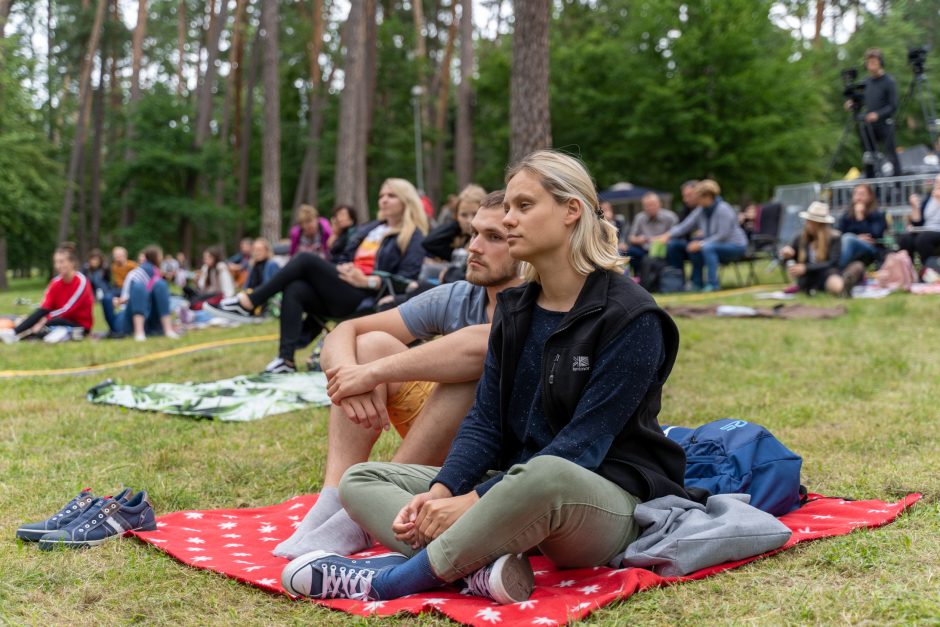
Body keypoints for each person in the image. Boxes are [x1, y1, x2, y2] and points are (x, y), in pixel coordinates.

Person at [280, 150, 689, 606]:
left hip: (598, 497)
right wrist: (441, 491)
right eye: (507, 208)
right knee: (362, 479)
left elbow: (583, 447)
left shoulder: (631, 316)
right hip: (509, 489)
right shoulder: (516, 312)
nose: (510, 219)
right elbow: (485, 422)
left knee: (548, 474)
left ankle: (389, 582)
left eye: (524, 207)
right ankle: (482, 567)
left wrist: (473, 501)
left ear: (571, 210)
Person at [272, 191, 523, 560]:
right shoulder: (460, 295)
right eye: (472, 234)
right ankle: (333, 500)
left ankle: (368, 507)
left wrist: (370, 374)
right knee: (370, 343)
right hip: (448, 440)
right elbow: (346, 331)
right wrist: (349, 376)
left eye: (494, 237)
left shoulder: (540, 301)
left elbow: (483, 345)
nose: (474, 247)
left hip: (499, 459)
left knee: (469, 375)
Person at [209, 178, 430, 374]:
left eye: (391, 195)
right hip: (342, 287)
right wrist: (344, 267)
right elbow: (343, 256)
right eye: (382, 195)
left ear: (405, 200)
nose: (383, 200)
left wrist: (369, 280)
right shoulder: (371, 228)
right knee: (295, 287)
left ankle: (249, 301)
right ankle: (285, 359)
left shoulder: (413, 236)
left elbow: (407, 280)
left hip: (367, 295)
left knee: (305, 259)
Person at [656, 179, 748, 291]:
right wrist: (668, 235)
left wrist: (701, 244)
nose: (696, 200)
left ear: (708, 196)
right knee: (694, 247)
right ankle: (697, 283)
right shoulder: (701, 210)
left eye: (698, 197)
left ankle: (713, 284)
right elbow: (685, 226)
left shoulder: (723, 209)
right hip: (714, 245)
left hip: (735, 246)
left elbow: (723, 235)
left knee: (706, 247)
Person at [1, 244, 94, 344]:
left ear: (72, 263)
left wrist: (45, 319)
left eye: (62, 262)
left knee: (49, 323)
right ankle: (13, 333)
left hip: (79, 325)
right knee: (39, 317)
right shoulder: (55, 282)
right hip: (57, 320)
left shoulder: (82, 282)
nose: (58, 266)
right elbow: (44, 308)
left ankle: (41, 333)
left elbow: (67, 309)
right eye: (56, 262)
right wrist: (37, 319)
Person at [779, 202, 863, 296]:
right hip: (808, 278)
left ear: (820, 224)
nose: (807, 224)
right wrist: (787, 257)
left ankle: (843, 289)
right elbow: (786, 263)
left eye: (811, 222)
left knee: (856, 266)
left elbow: (832, 262)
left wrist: (806, 268)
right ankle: (842, 288)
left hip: (827, 274)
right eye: (808, 221)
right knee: (831, 275)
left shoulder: (834, 237)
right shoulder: (800, 238)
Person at [845, 48, 900, 178]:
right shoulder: (865, 82)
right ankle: (871, 186)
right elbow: (859, 101)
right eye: (869, 62)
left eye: (874, 61)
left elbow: (893, 106)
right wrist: (851, 104)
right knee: (868, 157)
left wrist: (878, 114)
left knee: (891, 156)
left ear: (880, 62)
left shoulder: (889, 81)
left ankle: (898, 185)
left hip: (885, 124)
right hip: (868, 126)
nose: (871, 64)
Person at [112, 246, 179, 341]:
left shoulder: (156, 273)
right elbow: (125, 299)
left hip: (150, 316)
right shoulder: (134, 274)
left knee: (161, 285)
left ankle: (168, 329)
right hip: (131, 315)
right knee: (139, 287)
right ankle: (139, 332)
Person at [624, 192, 679, 276]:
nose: (650, 208)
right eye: (647, 205)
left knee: (674, 246)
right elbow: (631, 237)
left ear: (659, 204)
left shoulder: (670, 217)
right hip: (645, 248)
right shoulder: (639, 218)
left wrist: (660, 239)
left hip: (664, 248)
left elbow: (677, 233)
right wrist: (639, 239)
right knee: (631, 251)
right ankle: (639, 277)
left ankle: (672, 276)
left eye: (653, 204)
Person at [836, 183, 887, 268]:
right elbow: (839, 233)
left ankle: (837, 269)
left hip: (871, 250)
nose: (858, 197)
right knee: (848, 239)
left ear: (870, 197)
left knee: (848, 238)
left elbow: (875, 234)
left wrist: (860, 217)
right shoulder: (846, 215)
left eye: (862, 194)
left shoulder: (878, 214)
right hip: (849, 249)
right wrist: (856, 239)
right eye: (856, 193)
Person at [898, 182, 940, 266]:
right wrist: (915, 207)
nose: (937, 184)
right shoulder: (929, 198)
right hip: (925, 230)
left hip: (936, 232)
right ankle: (909, 271)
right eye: (937, 182)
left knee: (923, 239)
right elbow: (917, 223)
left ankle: (928, 271)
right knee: (906, 238)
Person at [82, 249, 114, 329]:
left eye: (96, 259)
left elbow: (108, 280)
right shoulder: (86, 268)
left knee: (98, 278)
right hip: (90, 290)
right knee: (95, 278)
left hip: (103, 289)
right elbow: (83, 280)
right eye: (93, 259)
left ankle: (102, 297)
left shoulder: (104, 268)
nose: (94, 262)